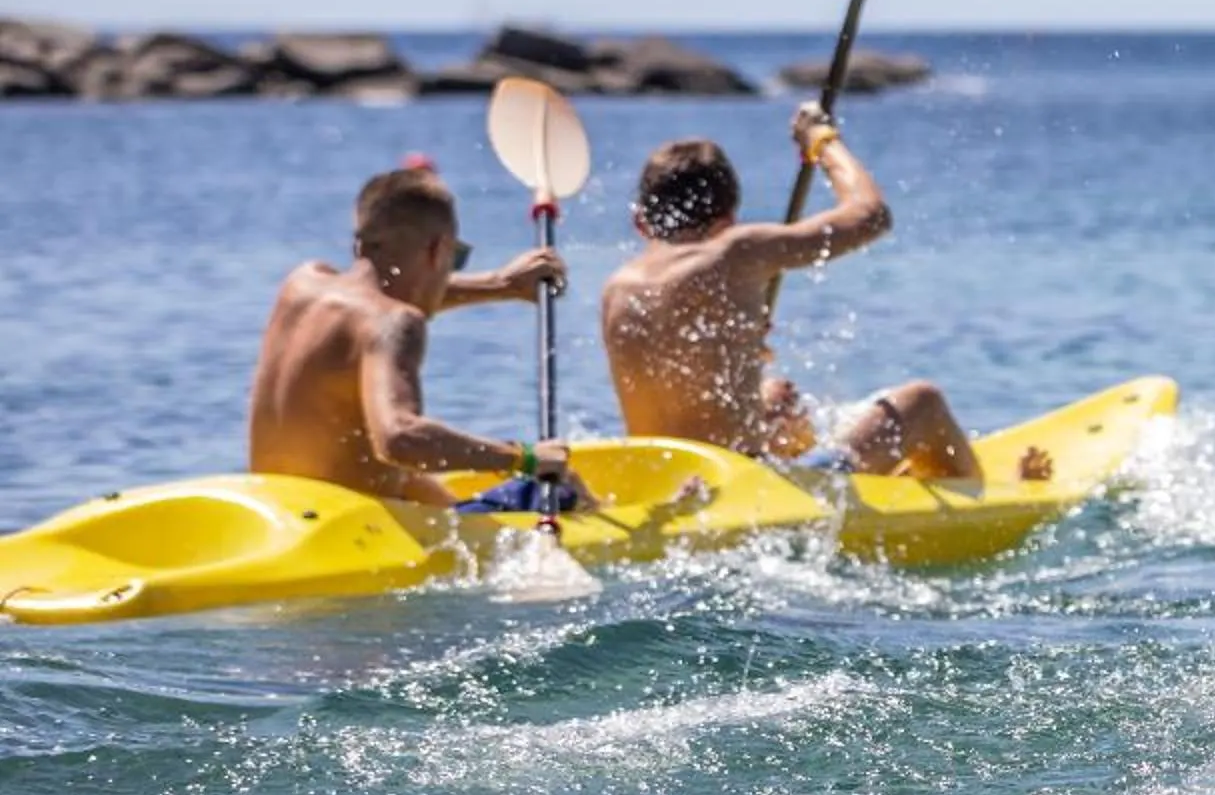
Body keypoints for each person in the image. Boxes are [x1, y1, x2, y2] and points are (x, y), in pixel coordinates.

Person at [602, 105, 1044, 481]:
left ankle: (880, 475)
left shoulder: (616, 288)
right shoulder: (737, 249)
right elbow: (871, 215)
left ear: (642, 223)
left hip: (667, 480)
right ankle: (978, 498)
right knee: (922, 402)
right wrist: (821, 140)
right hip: (743, 486)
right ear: (729, 217)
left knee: (778, 398)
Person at [247, 166, 581, 507]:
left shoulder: (301, 284)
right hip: (350, 530)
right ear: (438, 251)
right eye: (456, 259)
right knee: (561, 491)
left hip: (278, 511)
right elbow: (399, 437)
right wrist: (522, 458)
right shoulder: (394, 321)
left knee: (426, 490)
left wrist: (501, 284)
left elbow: (380, 298)